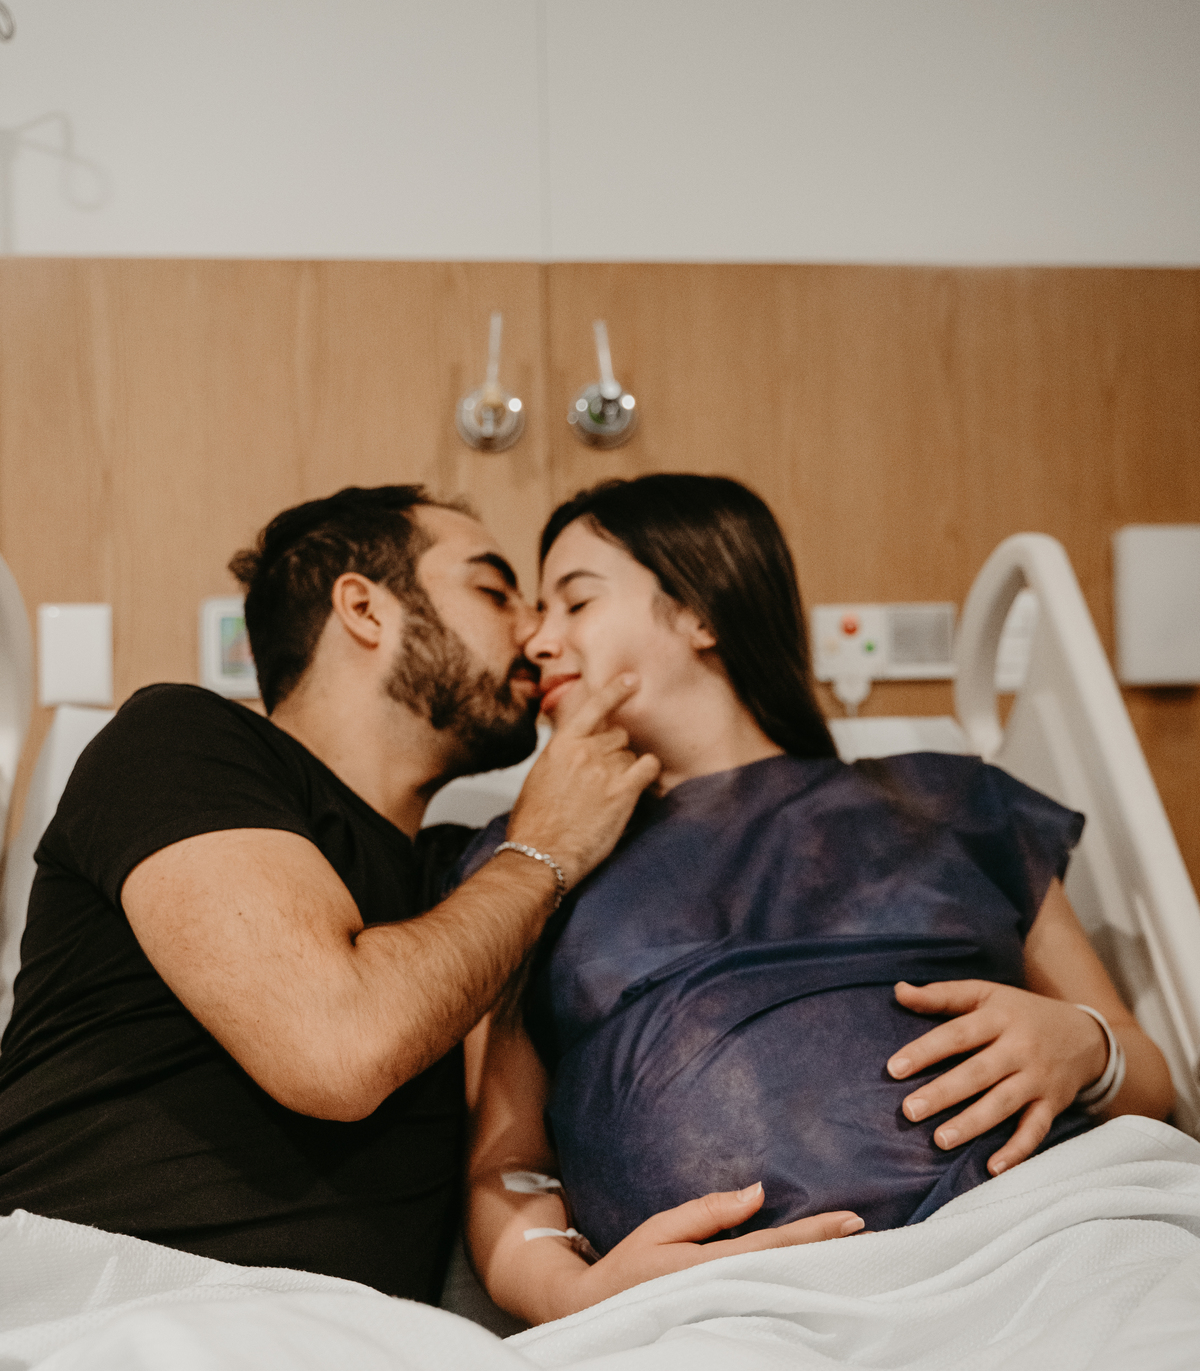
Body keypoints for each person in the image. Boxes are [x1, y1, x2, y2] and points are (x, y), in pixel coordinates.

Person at [462, 473, 1175, 1326]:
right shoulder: (530, 860)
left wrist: (1086, 1047)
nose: (538, 640)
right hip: (726, 1317)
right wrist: (571, 1291)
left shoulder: (951, 803)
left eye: (575, 602)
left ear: (699, 611)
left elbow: (1150, 1079)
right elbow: (508, 1165)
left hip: (1041, 1246)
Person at [0, 484, 666, 1299]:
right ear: (364, 609)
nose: (536, 633)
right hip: (97, 1307)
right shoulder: (178, 742)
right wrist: (544, 852)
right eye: (495, 592)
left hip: (339, 1347)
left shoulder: (470, 878)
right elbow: (335, 1049)